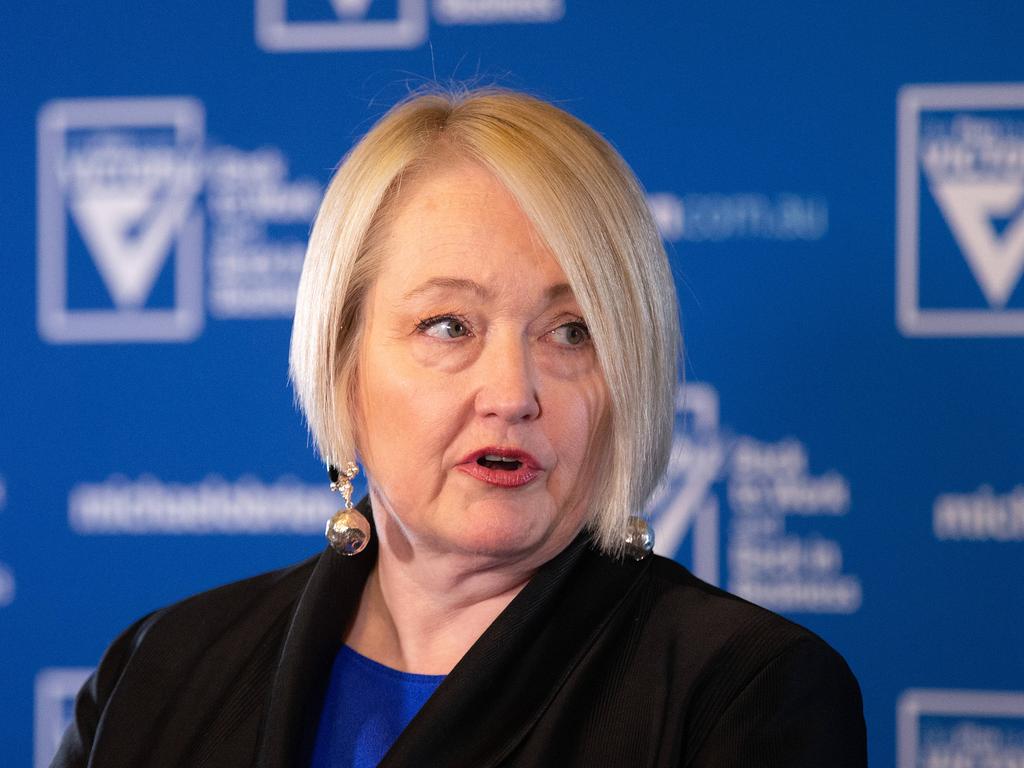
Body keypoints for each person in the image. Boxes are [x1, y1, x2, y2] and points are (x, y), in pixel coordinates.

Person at [53, 86, 867, 767]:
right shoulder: (160, 669)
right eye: (449, 326)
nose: (513, 393)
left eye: (572, 331)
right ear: (344, 365)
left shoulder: (741, 698)